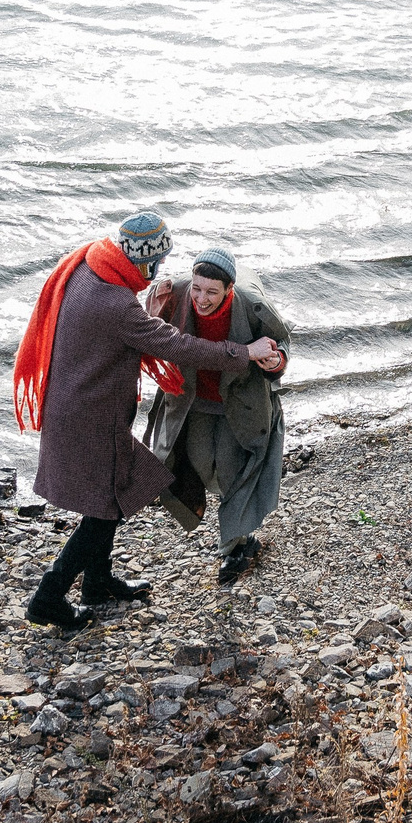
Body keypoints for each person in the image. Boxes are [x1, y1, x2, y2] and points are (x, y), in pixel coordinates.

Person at [11, 212, 283, 631]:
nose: (156, 272)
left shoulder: (87, 263)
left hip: (76, 403)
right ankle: (49, 596)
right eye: (156, 264)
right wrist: (243, 353)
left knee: (114, 496)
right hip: (89, 418)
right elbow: (177, 346)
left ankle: (97, 582)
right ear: (147, 263)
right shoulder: (117, 305)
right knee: (104, 509)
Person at [142, 247, 293, 584]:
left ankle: (237, 544)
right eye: (197, 288)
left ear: (229, 289)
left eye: (212, 291)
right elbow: (149, 322)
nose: (202, 298)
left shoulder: (252, 305)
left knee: (231, 467)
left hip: (237, 402)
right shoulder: (178, 292)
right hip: (193, 400)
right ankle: (232, 527)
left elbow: (281, 341)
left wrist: (276, 361)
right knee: (197, 462)